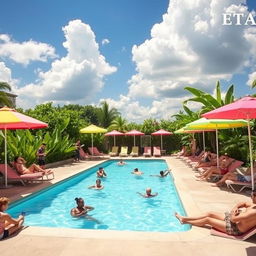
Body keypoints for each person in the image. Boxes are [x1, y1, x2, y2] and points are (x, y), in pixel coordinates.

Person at [175, 190, 256, 236]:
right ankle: (185, 218)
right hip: (234, 220)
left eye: (252, 195)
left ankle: (185, 221)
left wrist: (235, 214)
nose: (251, 197)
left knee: (208, 220)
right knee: (210, 213)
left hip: (235, 228)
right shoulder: (253, 205)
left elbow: (234, 219)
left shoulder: (253, 212)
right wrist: (235, 208)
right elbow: (243, 203)